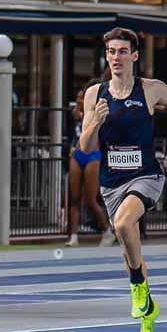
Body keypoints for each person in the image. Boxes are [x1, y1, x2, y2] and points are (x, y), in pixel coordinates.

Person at [78, 28, 167, 332]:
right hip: (112, 182)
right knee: (129, 245)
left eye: (122, 51)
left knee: (124, 224)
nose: (116, 57)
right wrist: (94, 123)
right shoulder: (94, 95)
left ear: (134, 56)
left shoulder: (150, 90)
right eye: (111, 52)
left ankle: (136, 286)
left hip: (146, 175)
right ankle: (147, 313)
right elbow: (85, 146)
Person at [66, 84, 112, 248]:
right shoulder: (75, 115)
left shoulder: (95, 113)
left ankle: (107, 231)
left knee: (90, 199)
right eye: (78, 97)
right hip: (77, 155)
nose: (79, 100)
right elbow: (72, 134)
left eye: (82, 97)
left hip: (93, 155)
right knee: (75, 198)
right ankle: (73, 236)